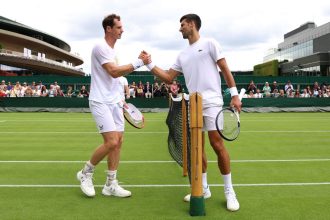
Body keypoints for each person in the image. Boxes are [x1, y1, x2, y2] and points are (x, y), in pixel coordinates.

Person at [141, 14, 241, 211]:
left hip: (212, 102)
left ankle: (230, 191)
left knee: (217, 144)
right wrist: (149, 64)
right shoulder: (182, 54)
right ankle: (203, 188)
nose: (180, 28)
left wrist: (235, 95)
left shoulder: (210, 43)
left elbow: (225, 68)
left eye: (183, 25)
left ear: (192, 25)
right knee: (198, 148)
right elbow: (169, 77)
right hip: (193, 104)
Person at [76, 13, 149, 198]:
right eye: (118, 27)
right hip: (100, 101)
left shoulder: (113, 51)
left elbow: (114, 80)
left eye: (121, 27)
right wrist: (139, 62)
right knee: (111, 142)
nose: (122, 30)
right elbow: (114, 72)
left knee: (119, 143)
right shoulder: (100, 47)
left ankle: (110, 184)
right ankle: (86, 173)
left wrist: (121, 100)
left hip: (115, 102)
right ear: (108, 29)